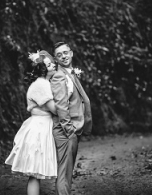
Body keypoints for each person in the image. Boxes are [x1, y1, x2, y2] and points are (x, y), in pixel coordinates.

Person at [5, 50, 59, 195]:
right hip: (39, 129)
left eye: (52, 63)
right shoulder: (41, 84)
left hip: (42, 126)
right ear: (42, 68)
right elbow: (54, 109)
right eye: (49, 64)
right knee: (35, 173)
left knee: (36, 174)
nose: (54, 66)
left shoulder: (44, 83)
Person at [51, 42, 92, 195]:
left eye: (65, 52)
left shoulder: (69, 73)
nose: (63, 56)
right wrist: (70, 130)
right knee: (64, 174)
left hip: (72, 129)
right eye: (59, 55)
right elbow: (61, 106)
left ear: (71, 53)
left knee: (67, 173)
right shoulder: (59, 76)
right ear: (56, 59)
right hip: (66, 131)